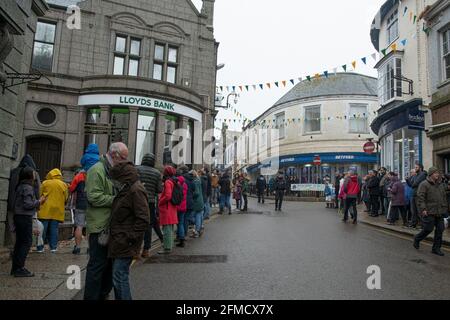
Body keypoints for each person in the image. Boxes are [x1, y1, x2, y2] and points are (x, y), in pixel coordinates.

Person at [84, 142, 127, 300]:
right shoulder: (97, 170)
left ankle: (102, 296)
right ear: (114, 155)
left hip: (110, 226)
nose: (124, 161)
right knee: (97, 267)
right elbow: (93, 197)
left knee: (108, 266)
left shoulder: (111, 170)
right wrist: (117, 199)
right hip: (99, 227)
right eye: (123, 158)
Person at [108, 161, 149, 300]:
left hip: (125, 242)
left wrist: (130, 238)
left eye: (116, 179)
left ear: (123, 177)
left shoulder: (135, 190)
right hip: (120, 240)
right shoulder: (128, 188)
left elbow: (143, 218)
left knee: (119, 277)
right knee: (118, 277)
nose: (114, 182)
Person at [11, 167, 46, 277]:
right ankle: (20, 268)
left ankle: (15, 267)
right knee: (26, 242)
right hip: (24, 217)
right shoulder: (28, 188)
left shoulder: (20, 186)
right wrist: (39, 201)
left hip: (18, 216)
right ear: (29, 176)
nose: (35, 175)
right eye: (33, 173)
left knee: (19, 242)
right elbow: (28, 204)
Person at [7, 154, 41, 250]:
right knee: (25, 232)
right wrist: (38, 205)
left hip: (11, 204)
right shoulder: (33, 173)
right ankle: (22, 250)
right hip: (25, 207)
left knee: (12, 228)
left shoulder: (13, 172)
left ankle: (15, 248)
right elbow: (37, 189)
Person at [413, 167, 449, 256]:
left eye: (438, 173)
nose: (438, 174)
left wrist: (445, 208)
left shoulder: (440, 184)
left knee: (440, 230)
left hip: (440, 211)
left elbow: (444, 196)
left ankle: (436, 248)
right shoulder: (424, 184)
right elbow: (420, 198)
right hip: (429, 211)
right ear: (431, 174)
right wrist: (423, 209)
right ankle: (417, 238)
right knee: (428, 229)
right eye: (435, 173)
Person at [136, 153, 163, 258]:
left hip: (138, 201)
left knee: (137, 224)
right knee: (148, 225)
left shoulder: (137, 169)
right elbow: (159, 190)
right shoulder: (157, 173)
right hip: (150, 202)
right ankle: (146, 250)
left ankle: (136, 250)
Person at [37, 168, 69, 253]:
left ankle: (40, 248)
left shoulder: (45, 183)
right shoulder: (63, 184)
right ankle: (53, 247)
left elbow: (39, 195)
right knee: (54, 229)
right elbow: (66, 197)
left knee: (43, 229)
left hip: (45, 209)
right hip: (57, 210)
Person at [69, 169, 88, 255]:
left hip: (80, 203)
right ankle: (90, 247)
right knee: (90, 227)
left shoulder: (79, 176)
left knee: (79, 226)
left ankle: (77, 247)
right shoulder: (95, 174)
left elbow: (72, 188)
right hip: (91, 204)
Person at [406, 163, 427, 228]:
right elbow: (410, 185)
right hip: (413, 194)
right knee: (413, 210)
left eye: (416, 167)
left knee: (419, 210)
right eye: (415, 167)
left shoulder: (423, 174)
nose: (415, 169)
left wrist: (412, 183)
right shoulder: (415, 175)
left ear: (420, 168)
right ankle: (413, 223)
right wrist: (407, 180)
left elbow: (414, 184)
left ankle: (423, 225)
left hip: (419, 195)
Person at [175, 174, 188, 248]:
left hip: (178, 207)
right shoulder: (185, 185)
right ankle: (181, 237)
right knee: (181, 223)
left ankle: (181, 239)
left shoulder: (177, 186)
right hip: (184, 207)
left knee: (179, 224)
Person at [190, 170, 204, 238]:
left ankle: (196, 231)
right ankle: (198, 230)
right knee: (198, 216)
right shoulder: (198, 181)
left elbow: (196, 193)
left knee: (192, 217)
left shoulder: (195, 182)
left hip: (196, 201)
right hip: (200, 201)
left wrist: (192, 195)